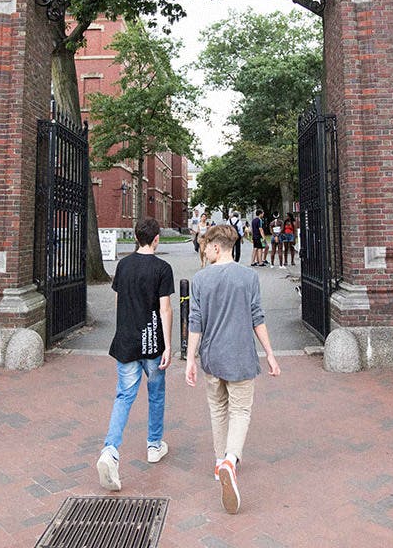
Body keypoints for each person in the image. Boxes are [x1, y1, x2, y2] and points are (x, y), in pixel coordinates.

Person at [185, 224, 281, 515]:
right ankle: (231, 460)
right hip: (241, 355)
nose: (204, 250)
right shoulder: (248, 277)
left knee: (217, 409)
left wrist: (190, 359)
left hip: (212, 357)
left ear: (216, 247)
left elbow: (195, 322)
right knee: (240, 410)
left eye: (205, 246)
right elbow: (257, 318)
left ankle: (218, 462)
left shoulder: (200, 279)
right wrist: (270, 354)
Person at [96, 217, 175, 492]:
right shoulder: (162, 268)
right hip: (152, 341)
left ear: (135, 237)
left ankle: (110, 450)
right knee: (156, 394)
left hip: (127, 341)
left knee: (124, 396)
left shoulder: (123, 265)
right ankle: (154, 445)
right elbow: (165, 309)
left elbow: (118, 302)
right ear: (156, 239)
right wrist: (168, 344)